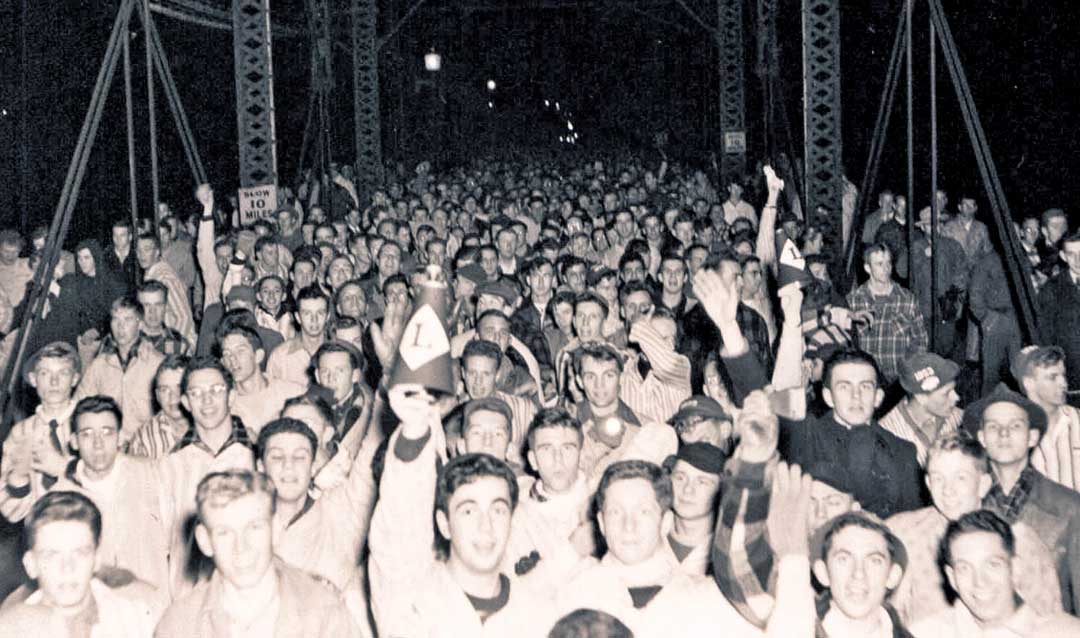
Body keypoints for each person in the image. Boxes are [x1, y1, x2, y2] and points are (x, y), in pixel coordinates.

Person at [368, 383, 557, 636]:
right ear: (444, 523)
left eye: (498, 510)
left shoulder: (537, 615)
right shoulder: (413, 599)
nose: (485, 525)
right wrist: (414, 432)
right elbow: (398, 526)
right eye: (468, 511)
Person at [559, 459, 814, 636]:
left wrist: (794, 558)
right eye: (616, 512)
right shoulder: (572, 595)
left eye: (643, 511)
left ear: (666, 521)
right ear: (601, 523)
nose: (629, 525)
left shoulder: (706, 596)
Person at [154, 470, 363, 637]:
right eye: (224, 532)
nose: (241, 547)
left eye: (254, 527)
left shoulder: (324, 613)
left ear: (275, 529)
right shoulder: (180, 626)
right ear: (205, 541)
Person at [887, 435, 1062, 627]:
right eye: (938, 478)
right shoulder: (903, 532)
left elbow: (1048, 622)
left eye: (961, 478)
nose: (948, 490)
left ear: (983, 484)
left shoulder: (1019, 542)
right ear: (928, 484)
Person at [961, 384, 1080, 613]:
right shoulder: (963, 504)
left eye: (1015, 425)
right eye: (994, 426)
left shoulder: (1071, 508)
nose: (1003, 433)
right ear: (982, 438)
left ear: (1032, 437)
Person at [42, 396, 171, 594]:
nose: (98, 444)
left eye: (107, 432)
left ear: (120, 437)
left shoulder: (152, 476)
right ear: (74, 442)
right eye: (87, 434)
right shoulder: (60, 498)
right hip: (95, 613)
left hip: (153, 607)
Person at [157, 357, 256, 598]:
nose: (207, 400)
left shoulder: (257, 455)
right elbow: (161, 543)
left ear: (231, 396)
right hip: (190, 598)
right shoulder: (171, 464)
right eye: (196, 392)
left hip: (247, 592)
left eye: (216, 390)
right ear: (186, 403)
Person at [0, 492, 157, 637]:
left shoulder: (137, 620)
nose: (67, 567)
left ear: (96, 560)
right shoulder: (10, 630)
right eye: (51, 555)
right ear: (31, 565)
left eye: (80, 553)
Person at [908, 510, 1080, 637]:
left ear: (1015, 569)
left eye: (992, 565)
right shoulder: (923, 634)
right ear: (952, 578)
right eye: (965, 568)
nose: (980, 582)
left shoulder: (1067, 633)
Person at [568, 342, 677, 488]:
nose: (599, 385)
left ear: (621, 378)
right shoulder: (567, 425)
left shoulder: (645, 427)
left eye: (608, 375)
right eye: (590, 377)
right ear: (579, 381)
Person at [0, 342, 82, 522]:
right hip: (41, 531)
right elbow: (9, 508)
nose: (54, 381)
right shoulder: (20, 433)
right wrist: (19, 478)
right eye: (45, 373)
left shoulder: (89, 423)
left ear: (75, 378)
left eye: (63, 373)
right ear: (33, 379)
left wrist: (65, 468)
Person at [74, 296, 164, 439]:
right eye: (116, 319)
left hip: (146, 448)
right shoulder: (100, 364)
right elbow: (79, 404)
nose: (120, 327)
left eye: (128, 320)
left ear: (140, 324)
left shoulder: (157, 364)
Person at [811, 511, 910, 637]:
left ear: (892, 576)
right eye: (844, 559)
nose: (858, 573)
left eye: (874, 561)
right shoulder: (794, 630)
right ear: (823, 573)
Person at [846, 243, 928, 385]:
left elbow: (920, 341)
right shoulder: (853, 301)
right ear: (867, 268)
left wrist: (908, 371)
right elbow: (847, 344)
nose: (886, 268)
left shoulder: (907, 299)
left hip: (899, 381)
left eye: (888, 263)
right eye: (879, 264)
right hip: (866, 379)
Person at [1011, 346, 1080, 489]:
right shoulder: (1013, 434)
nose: (1063, 384)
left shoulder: (1077, 420)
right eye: (1052, 377)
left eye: (1063, 375)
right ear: (1029, 383)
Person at [877, 352, 963, 467]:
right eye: (946, 393)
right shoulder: (887, 432)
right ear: (921, 397)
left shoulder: (960, 419)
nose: (956, 397)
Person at [220, 325, 305, 435]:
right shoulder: (223, 407)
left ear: (258, 356)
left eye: (240, 351)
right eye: (227, 354)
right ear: (223, 363)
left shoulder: (293, 394)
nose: (232, 359)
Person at [663, 442, 725, 576]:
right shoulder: (647, 532)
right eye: (680, 478)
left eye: (702, 481)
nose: (687, 489)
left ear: (721, 489)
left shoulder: (726, 552)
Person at [1036, 230, 1080, 402]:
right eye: (1071, 254)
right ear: (1062, 255)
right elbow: (1045, 334)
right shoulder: (1052, 289)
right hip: (1072, 371)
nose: (1078, 260)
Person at [135, 232, 196, 350]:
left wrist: (171, 348)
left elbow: (184, 318)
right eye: (138, 250)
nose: (141, 255)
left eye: (147, 249)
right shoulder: (151, 274)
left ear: (157, 252)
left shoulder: (165, 278)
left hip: (179, 346)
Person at [127, 354, 190, 459]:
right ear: (157, 396)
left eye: (180, 387)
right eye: (165, 389)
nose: (173, 396)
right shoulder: (144, 439)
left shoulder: (212, 427)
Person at [266, 284, 329, 389]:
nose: (314, 320)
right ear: (298, 317)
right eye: (307, 313)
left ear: (328, 317)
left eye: (320, 313)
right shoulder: (280, 356)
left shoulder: (341, 353)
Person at [137, 280, 191, 356]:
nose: (152, 311)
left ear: (165, 307)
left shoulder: (180, 344)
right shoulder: (129, 341)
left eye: (158, 304)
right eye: (146, 305)